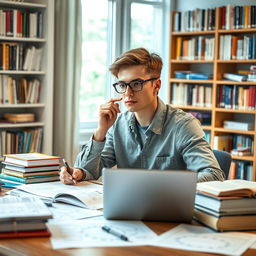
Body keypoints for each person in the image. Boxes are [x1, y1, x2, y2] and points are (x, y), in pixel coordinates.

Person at [60, 47, 225, 185]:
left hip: (171, 211)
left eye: (136, 84)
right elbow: (89, 170)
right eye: (122, 85)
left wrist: (160, 187)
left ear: (156, 85)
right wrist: (101, 130)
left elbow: (214, 175)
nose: (128, 93)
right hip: (130, 211)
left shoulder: (183, 125)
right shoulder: (118, 125)